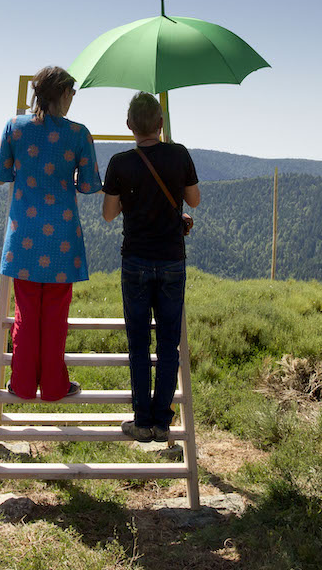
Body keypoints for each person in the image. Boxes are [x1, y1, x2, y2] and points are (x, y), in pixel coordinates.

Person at [0, 66, 102, 401]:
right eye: (72, 93)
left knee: (25, 311)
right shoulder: (79, 133)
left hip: (23, 233)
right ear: (63, 93)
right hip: (62, 236)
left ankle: (22, 385)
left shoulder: (15, 127)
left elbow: (0, 174)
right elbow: (88, 186)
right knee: (55, 315)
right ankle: (54, 386)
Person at [101, 92, 200, 442]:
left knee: (139, 343)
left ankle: (141, 420)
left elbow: (109, 214)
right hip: (172, 259)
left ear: (129, 126)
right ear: (160, 124)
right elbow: (194, 200)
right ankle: (162, 421)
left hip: (136, 260)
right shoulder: (179, 154)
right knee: (168, 343)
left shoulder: (119, 162)